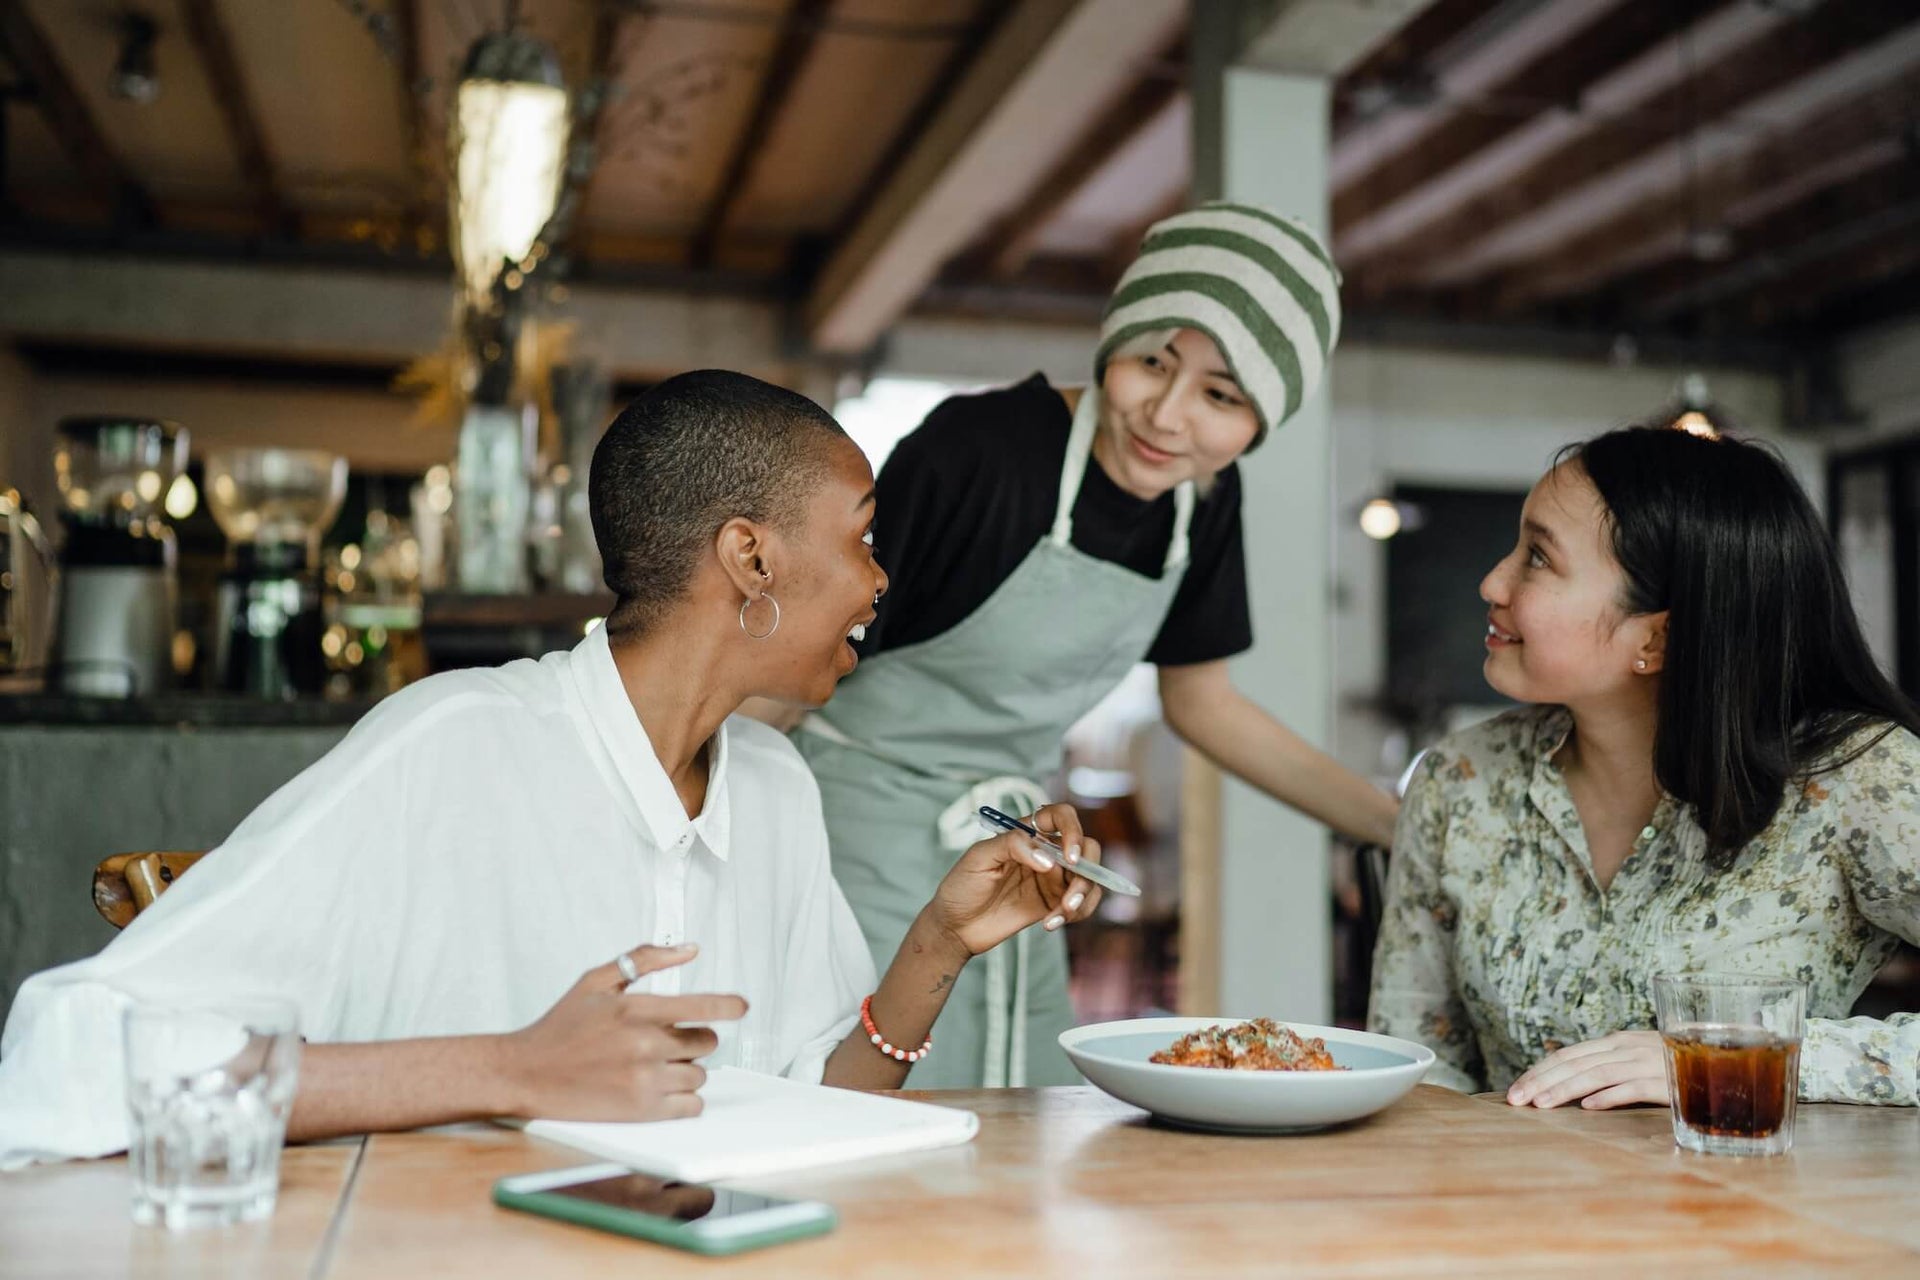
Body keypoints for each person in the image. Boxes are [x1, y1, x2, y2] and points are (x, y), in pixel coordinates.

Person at [0, 370, 1107, 1167]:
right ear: (751, 556)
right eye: (863, 535)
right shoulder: (452, 745)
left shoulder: (775, 786)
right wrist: (509, 1067)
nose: (880, 581)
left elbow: (812, 1111)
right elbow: (67, 1054)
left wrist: (940, 939)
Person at [782, 203, 1399, 1088]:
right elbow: (799, 652)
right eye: (1154, 362)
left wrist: (1395, 827)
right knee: (871, 1096)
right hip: (853, 831)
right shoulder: (979, 450)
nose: (1169, 417)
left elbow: (1203, 704)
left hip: (1016, 839)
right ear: (1116, 340)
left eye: (1221, 397)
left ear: (1258, 427)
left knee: (1018, 1104)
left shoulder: (1206, 505)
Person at [1368, 424, 1920, 1109]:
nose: (1492, 582)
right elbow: (1415, 1068)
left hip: (1761, 1210)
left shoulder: (1856, 779)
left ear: (1657, 636)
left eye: (1537, 558)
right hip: (1507, 1207)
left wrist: (1729, 1060)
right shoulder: (1460, 780)